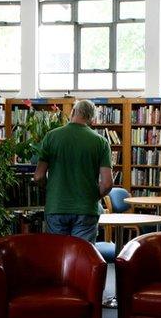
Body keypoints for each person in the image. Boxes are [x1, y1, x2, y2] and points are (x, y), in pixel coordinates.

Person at [33, 100, 113, 242]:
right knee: (82, 258)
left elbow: (38, 176)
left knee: (58, 257)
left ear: (73, 112)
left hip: (56, 206)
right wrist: (93, 196)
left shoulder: (51, 137)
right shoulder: (100, 142)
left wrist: (51, 189)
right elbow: (107, 184)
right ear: (91, 118)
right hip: (86, 209)